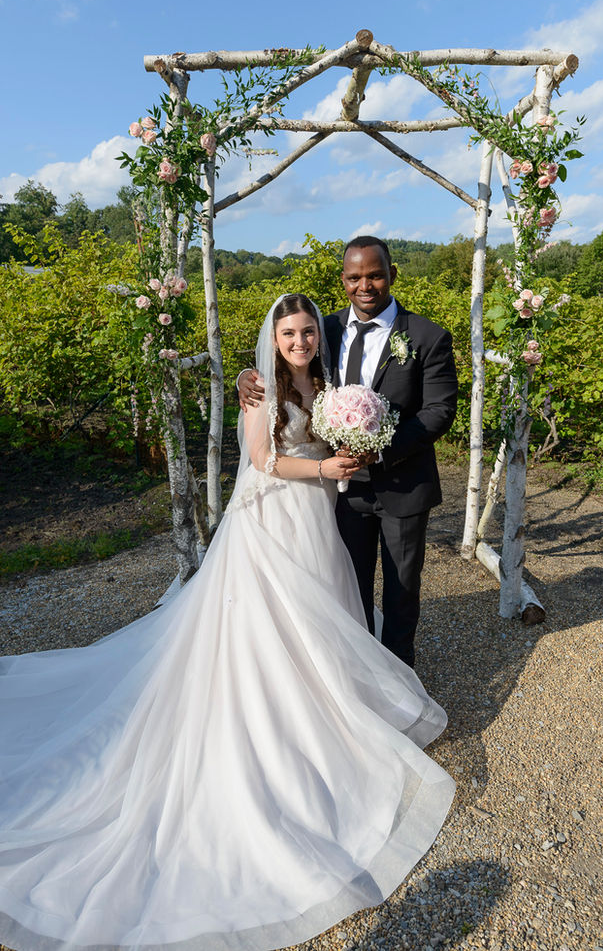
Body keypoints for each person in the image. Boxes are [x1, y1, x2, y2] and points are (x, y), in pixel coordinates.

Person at [0, 293, 455, 951]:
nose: (298, 340)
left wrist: (354, 443)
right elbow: (265, 460)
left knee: (322, 616)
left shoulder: (327, 382)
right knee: (271, 627)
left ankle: (329, 701)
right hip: (272, 521)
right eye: (288, 332)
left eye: (305, 331)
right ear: (271, 338)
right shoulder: (258, 389)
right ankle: (281, 715)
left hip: (317, 524)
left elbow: (344, 427)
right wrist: (325, 465)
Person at [240, 238, 458, 667]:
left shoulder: (428, 336)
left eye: (374, 275)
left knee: (401, 594)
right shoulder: (328, 329)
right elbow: (285, 363)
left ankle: (401, 683)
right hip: (340, 492)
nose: (365, 285)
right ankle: (358, 677)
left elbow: (439, 411)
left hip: (403, 483)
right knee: (345, 591)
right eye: (355, 277)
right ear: (343, 281)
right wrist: (246, 377)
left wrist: (379, 453)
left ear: (392, 275)